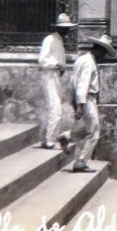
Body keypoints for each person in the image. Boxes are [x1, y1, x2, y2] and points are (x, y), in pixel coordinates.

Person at [58, 34, 115, 173]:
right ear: (100, 50)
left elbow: (73, 82)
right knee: (94, 132)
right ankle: (80, 162)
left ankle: (67, 136)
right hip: (87, 99)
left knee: (86, 128)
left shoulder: (81, 59)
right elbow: (83, 84)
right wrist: (81, 105)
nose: (104, 57)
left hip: (82, 98)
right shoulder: (89, 63)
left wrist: (75, 100)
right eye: (105, 53)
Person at [37, 13, 77, 149]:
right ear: (58, 28)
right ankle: (49, 140)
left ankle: (46, 137)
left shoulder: (60, 41)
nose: (66, 30)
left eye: (68, 28)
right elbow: (42, 60)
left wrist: (61, 66)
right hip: (48, 76)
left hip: (56, 77)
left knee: (54, 108)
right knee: (56, 109)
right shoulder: (50, 39)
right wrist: (56, 64)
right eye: (64, 28)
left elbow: (61, 61)